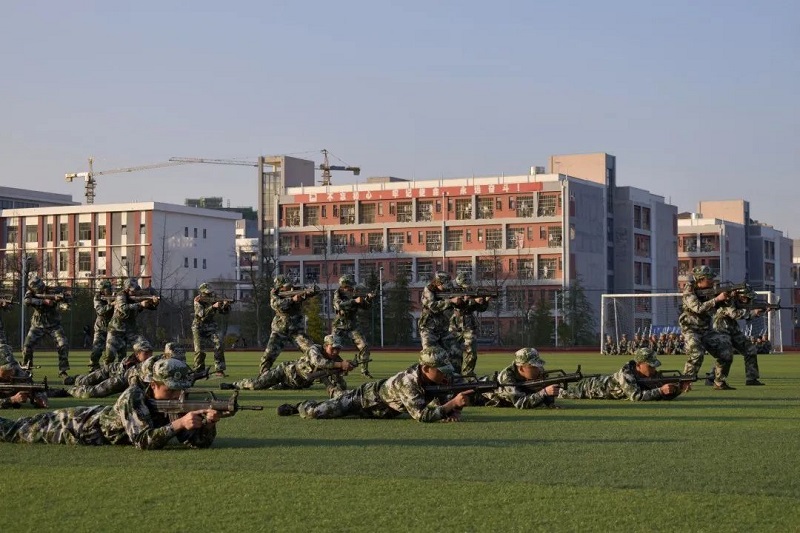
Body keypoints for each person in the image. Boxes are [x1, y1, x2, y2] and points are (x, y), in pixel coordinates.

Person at [0, 357, 219, 449]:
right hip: (75, 425)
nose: (176, 395)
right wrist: (179, 424)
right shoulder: (133, 395)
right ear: (153, 384)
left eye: (180, 389)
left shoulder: (176, 400)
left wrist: (208, 424)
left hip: (95, 419)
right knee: (14, 430)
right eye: (170, 390)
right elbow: (142, 441)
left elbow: (197, 443)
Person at [278, 346, 473, 423]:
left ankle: (336, 393)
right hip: (361, 401)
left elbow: (442, 395)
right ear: (426, 368)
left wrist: (452, 411)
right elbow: (422, 416)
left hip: (378, 409)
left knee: (338, 396)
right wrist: (452, 404)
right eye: (440, 370)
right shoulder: (408, 382)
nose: (445, 374)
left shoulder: (436, 378)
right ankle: (300, 405)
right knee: (316, 413)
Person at [222, 334, 352, 397]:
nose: (335, 352)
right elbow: (318, 362)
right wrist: (340, 365)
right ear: (325, 346)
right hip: (285, 372)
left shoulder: (335, 359)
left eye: (338, 349)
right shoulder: (315, 349)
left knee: (272, 389)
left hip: (297, 383)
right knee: (257, 384)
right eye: (333, 348)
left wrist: (343, 370)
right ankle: (235, 384)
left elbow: (340, 384)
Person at [679, 266, 735, 390]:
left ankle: (719, 381)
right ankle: (685, 383)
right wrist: (717, 299)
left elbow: (721, 307)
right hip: (691, 329)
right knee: (697, 354)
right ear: (700, 278)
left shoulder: (710, 290)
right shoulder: (689, 290)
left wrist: (728, 298)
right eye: (709, 278)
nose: (712, 281)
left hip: (706, 329)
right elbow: (698, 308)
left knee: (726, 351)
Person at [559, 348, 687, 401]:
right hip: (589, 388)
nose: (654, 369)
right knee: (561, 393)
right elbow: (636, 397)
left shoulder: (648, 375)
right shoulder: (626, 374)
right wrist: (661, 390)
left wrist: (678, 388)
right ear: (638, 365)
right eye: (650, 366)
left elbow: (660, 395)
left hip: (599, 384)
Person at [259, 275, 314, 374]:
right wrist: (292, 300)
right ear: (279, 287)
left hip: (296, 330)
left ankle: (316, 370)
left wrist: (309, 292)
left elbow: (309, 294)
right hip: (280, 330)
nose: (289, 288)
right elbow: (277, 304)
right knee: (269, 354)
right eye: (286, 287)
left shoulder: (296, 291)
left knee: (312, 350)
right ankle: (264, 374)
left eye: (290, 286)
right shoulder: (274, 294)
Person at [65, 340, 155, 399]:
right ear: (137, 355)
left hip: (115, 379)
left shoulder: (149, 363)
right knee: (84, 381)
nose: (149, 356)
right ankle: (73, 379)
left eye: (150, 353)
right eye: (146, 354)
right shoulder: (130, 363)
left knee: (92, 386)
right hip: (108, 371)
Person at [713, 287, 766, 386]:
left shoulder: (737, 302)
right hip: (721, 329)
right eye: (747, 298)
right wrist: (753, 312)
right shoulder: (728, 300)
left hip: (732, 329)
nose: (749, 301)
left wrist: (759, 311)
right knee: (725, 354)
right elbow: (734, 314)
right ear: (741, 296)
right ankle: (714, 378)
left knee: (750, 349)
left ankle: (751, 378)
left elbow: (745, 314)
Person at [478, 348, 561, 409]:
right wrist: (543, 392)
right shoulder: (507, 377)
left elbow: (544, 389)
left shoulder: (539, 371)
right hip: (480, 393)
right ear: (521, 368)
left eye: (538, 365)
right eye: (533, 366)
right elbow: (520, 403)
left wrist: (550, 400)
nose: (538, 369)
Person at [21, 273, 70, 377]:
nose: (42, 289)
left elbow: (67, 300)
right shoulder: (30, 293)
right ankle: (26, 370)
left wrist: (63, 299)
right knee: (27, 347)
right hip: (37, 325)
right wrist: (43, 301)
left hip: (54, 325)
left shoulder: (52, 291)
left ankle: (63, 371)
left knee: (63, 344)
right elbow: (26, 301)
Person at [103, 278, 158, 364]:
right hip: (116, 330)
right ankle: (106, 371)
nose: (135, 292)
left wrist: (154, 302)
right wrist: (140, 304)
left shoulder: (137, 296)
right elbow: (123, 308)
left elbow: (151, 307)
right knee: (109, 357)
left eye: (136, 290)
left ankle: (143, 367)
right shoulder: (120, 295)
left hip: (131, 330)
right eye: (132, 290)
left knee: (146, 348)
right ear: (126, 289)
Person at [448, 273, 491, 376]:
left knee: (471, 351)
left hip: (469, 324)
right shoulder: (454, 291)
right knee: (454, 352)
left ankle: (468, 374)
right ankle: (455, 374)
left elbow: (480, 309)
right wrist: (473, 301)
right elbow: (459, 304)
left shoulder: (472, 291)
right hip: (455, 325)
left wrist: (484, 302)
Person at [331, 274, 374, 378]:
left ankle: (364, 371)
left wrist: (368, 299)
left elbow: (365, 306)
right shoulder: (337, 294)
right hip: (339, 326)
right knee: (333, 350)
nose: (350, 289)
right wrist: (354, 301)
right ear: (343, 286)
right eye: (348, 287)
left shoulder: (354, 293)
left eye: (350, 287)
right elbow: (339, 305)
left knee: (364, 347)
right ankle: (335, 370)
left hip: (352, 326)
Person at [418, 272, 461, 360]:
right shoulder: (429, 289)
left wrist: (466, 300)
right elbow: (433, 306)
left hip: (443, 328)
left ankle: (452, 369)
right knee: (430, 355)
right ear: (438, 282)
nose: (446, 288)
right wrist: (450, 301)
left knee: (455, 352)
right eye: (444, 285)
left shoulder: (448, 290)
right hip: (429, 328)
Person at [192, 283, 230, 377]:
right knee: (199, 350)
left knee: (218, 343)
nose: (209, 294)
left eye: (209, 293)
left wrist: (225, 306)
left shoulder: (215, 298)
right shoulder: (198, 300)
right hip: (199, 326)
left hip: (211, 326)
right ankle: (199, 371)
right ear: (202, 292)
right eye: (206, 293)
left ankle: (219, 370)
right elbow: (201, 314)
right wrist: (213, 307)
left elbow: (223, 312)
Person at [88, 280, 115, 371]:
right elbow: (100, 311)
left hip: (113, 327)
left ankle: (108, 369)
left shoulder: (115, 296)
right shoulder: (98, 297)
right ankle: (93, 367)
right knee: (96, 350)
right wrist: (111, 304)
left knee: (111, 351)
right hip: (100, 327)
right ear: (102, 290)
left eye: (110, 288)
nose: (109, 290)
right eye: (107, 289)